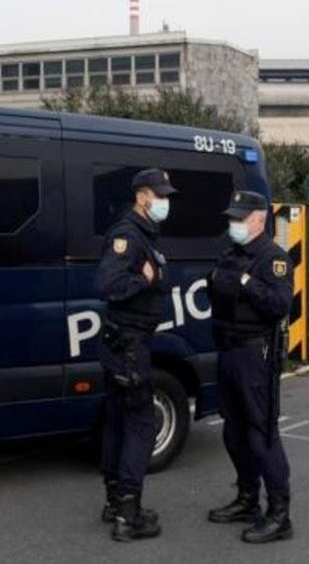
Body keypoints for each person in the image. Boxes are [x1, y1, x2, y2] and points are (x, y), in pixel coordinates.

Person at [205, 190, 295, 544]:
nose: (234, 224)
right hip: (228, 351)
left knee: (262, 434)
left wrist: (244, 283)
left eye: (240, 218)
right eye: (232, 218)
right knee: (233, 431)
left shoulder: (273, 259)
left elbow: (279, 304)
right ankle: (247, 498)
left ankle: (279, 514)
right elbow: (214, 290)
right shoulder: (231, 254)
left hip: (255, 355)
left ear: (260, 218)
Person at [93, 168, 175, 542]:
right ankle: (129, 513)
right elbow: (107, 284)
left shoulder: (144, 233)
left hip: (123, 343)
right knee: (141, 424)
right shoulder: (129, 235)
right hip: (128, 346)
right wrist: (144, 279)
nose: (165, 202)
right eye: (160, 195)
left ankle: (114, 501)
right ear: (143, 197)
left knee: (117, 419)